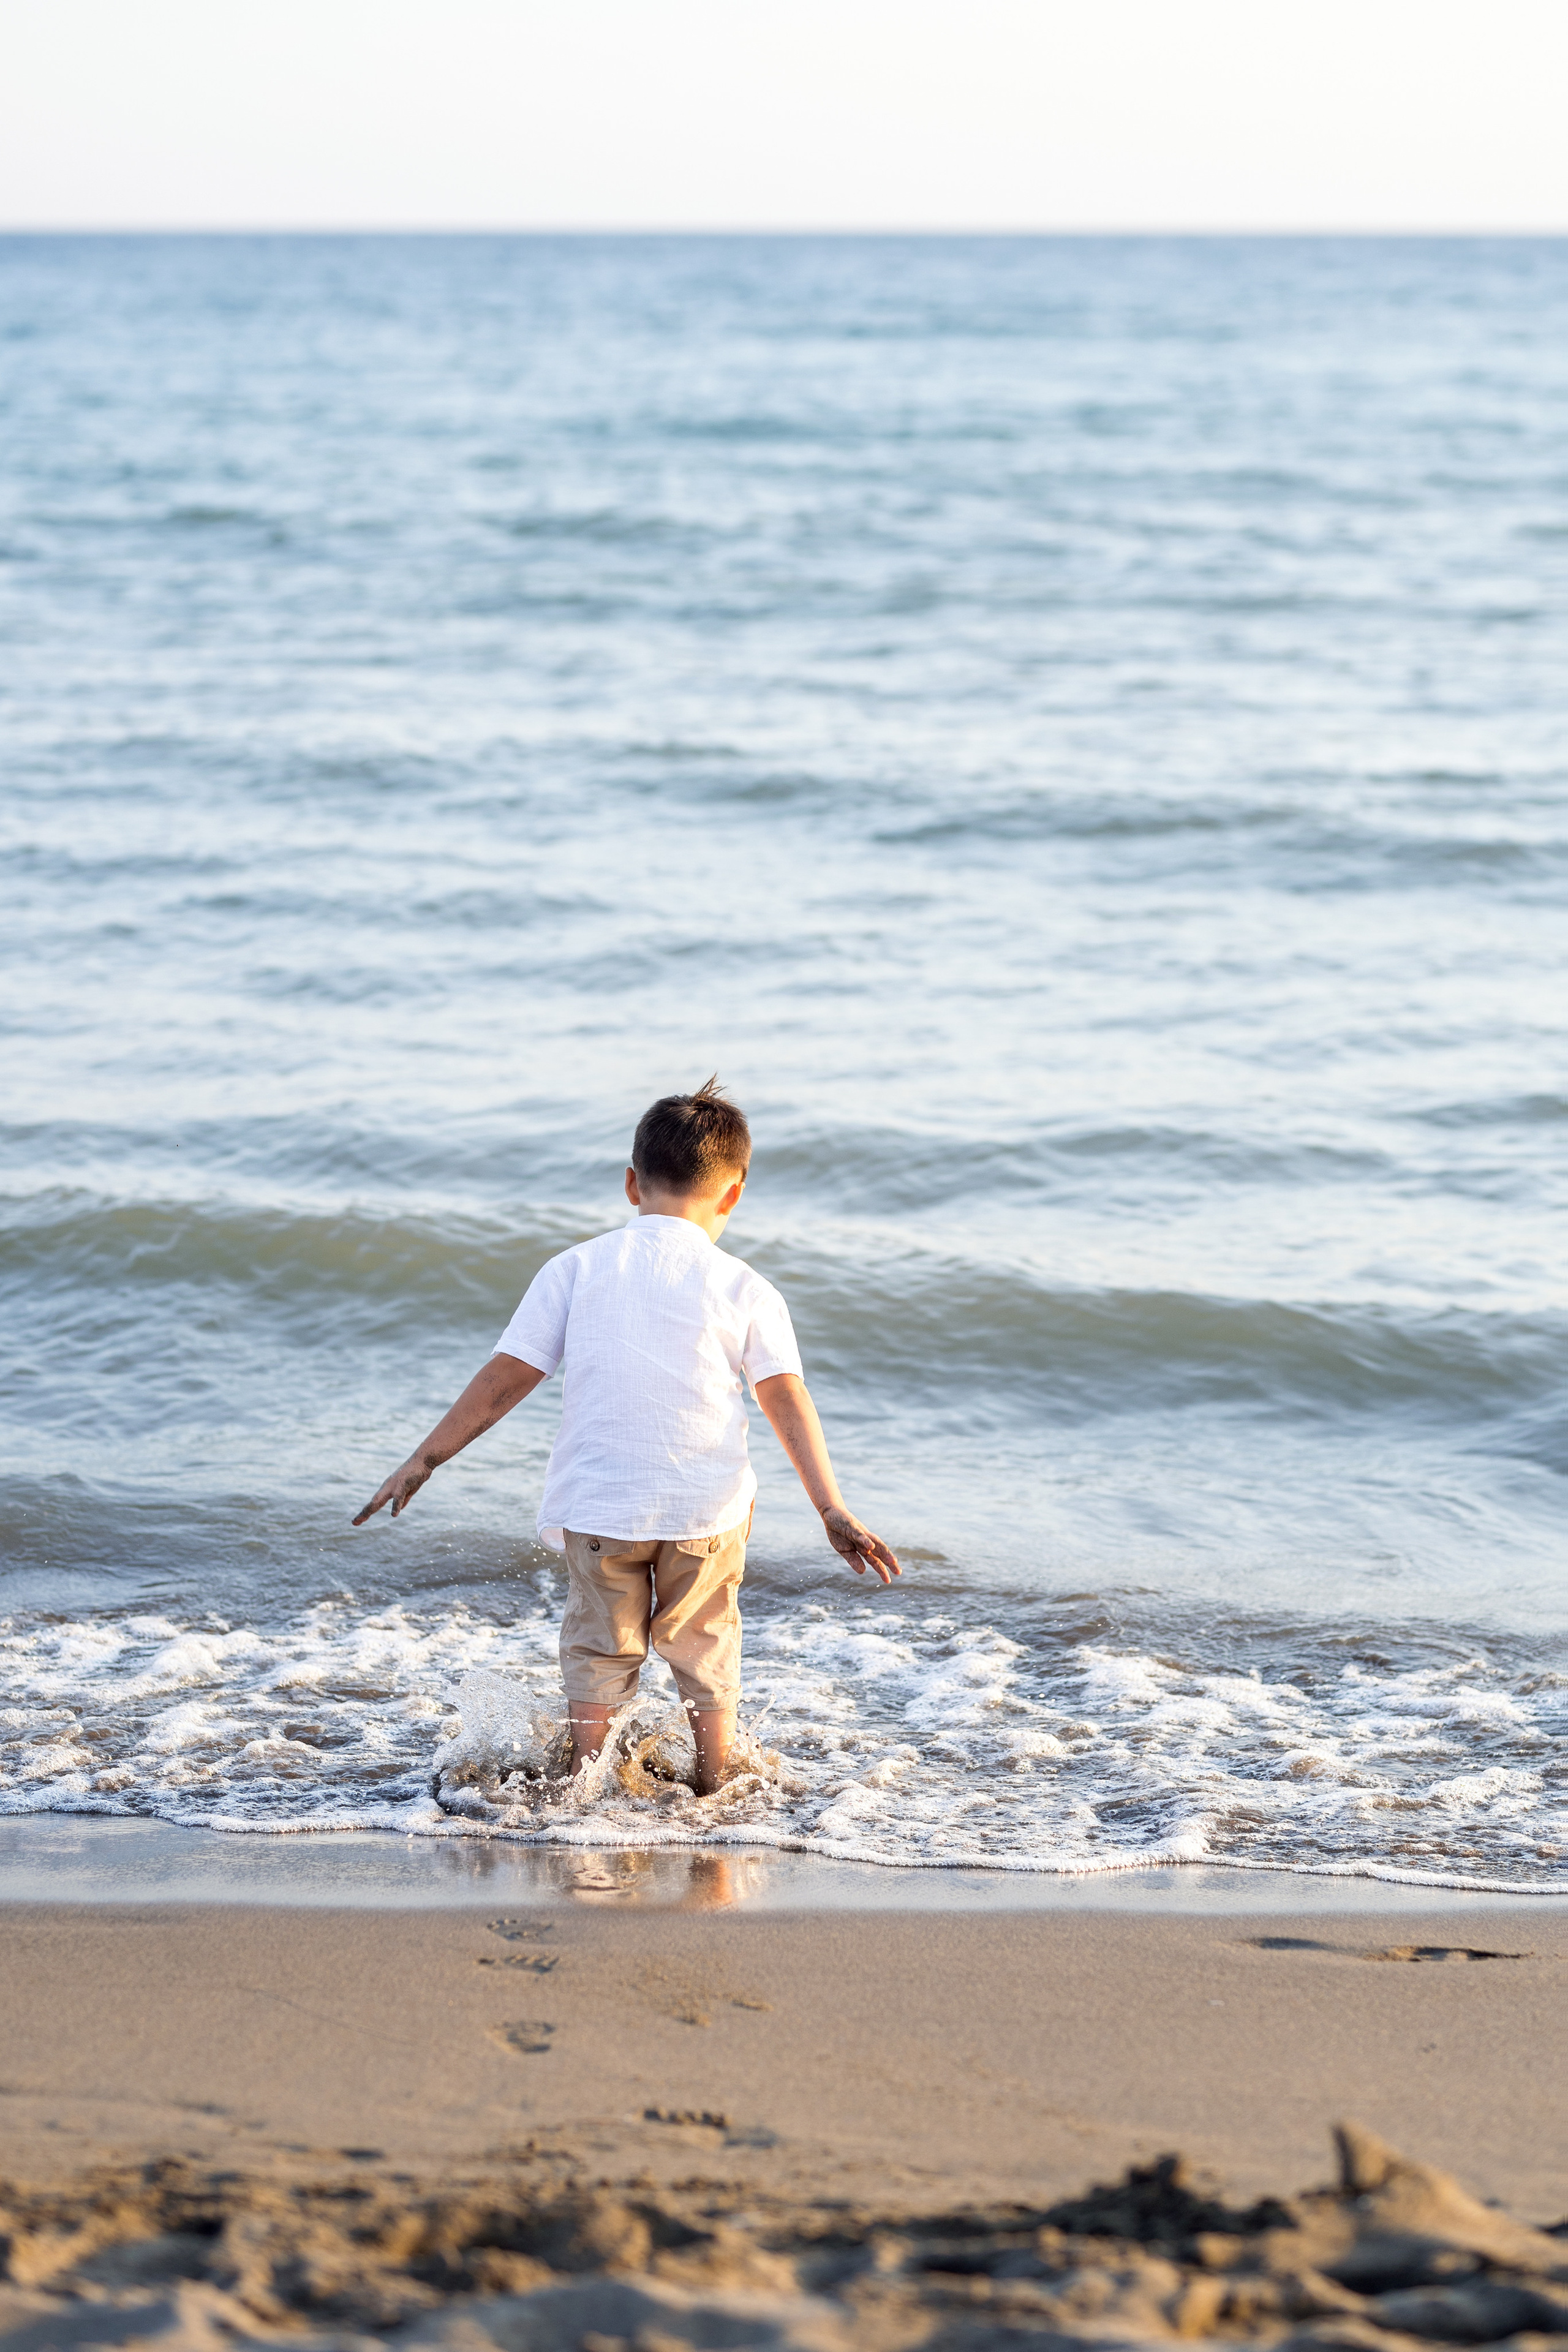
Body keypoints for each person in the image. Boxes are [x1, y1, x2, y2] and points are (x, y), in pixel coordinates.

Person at [352, 1079, 900, 1793]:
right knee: (705, 1648)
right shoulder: (745, 1287)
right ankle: (713, 1785)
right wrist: (830, 1506)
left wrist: (424, 1458)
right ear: (732, 1194)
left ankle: (585, 1787)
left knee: (599, 1650)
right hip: (706, 1509)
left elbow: (509, 1375)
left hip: (601, 1507)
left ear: (631, 1184)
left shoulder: (576, 1268)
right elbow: (783, 1397)